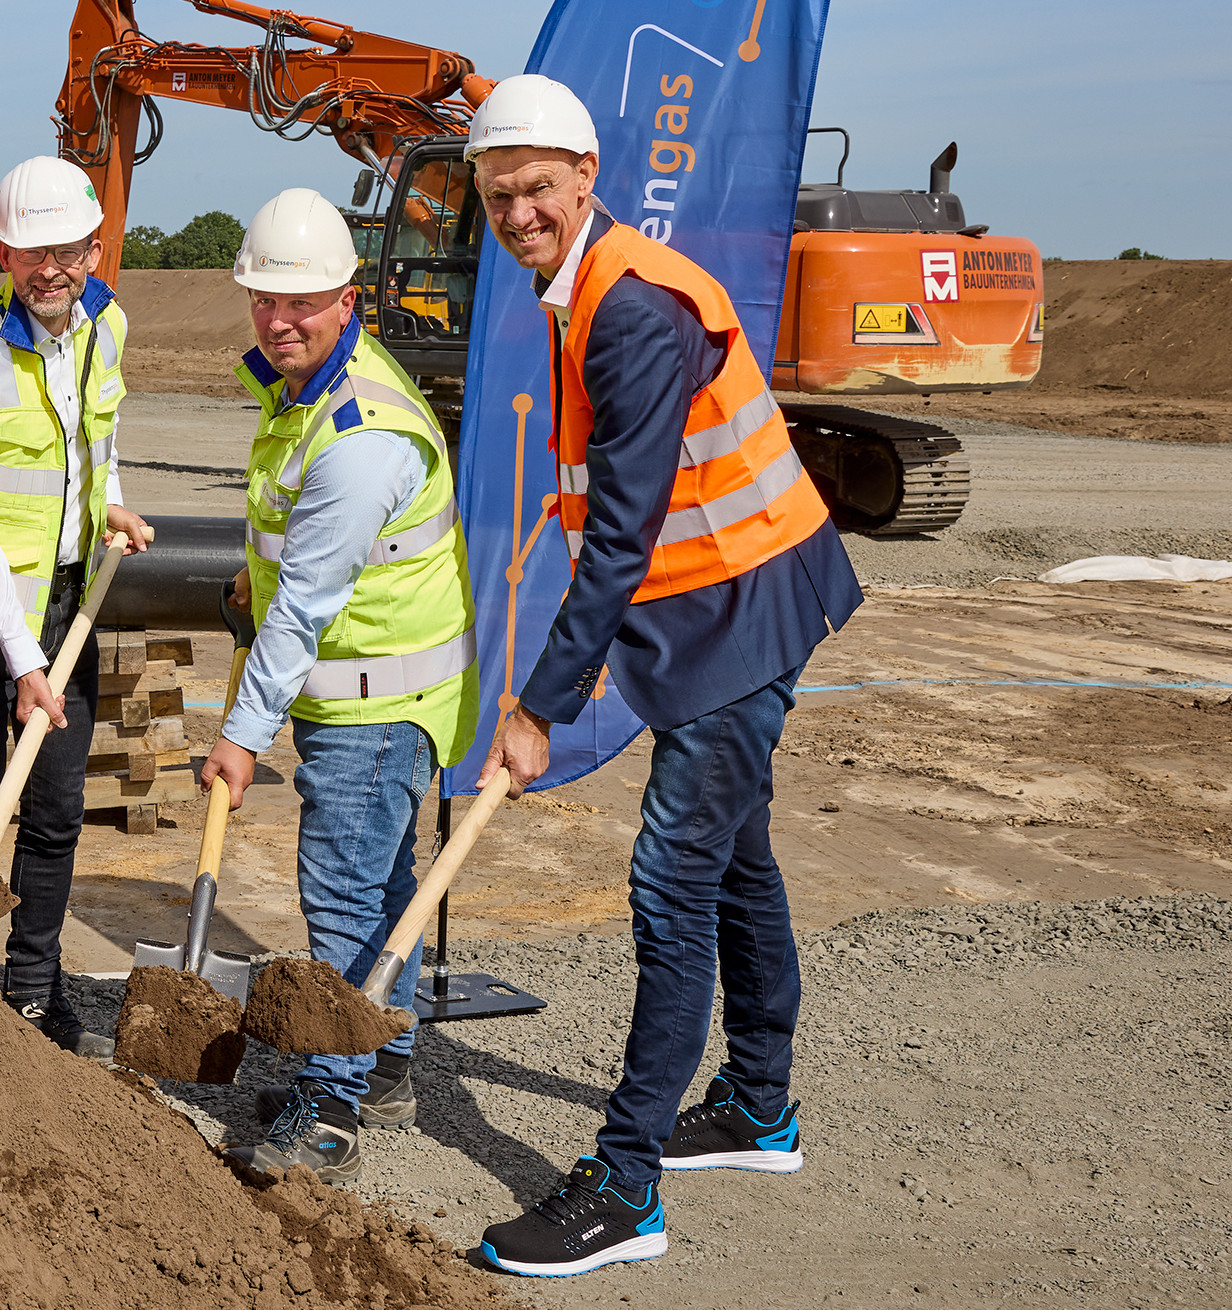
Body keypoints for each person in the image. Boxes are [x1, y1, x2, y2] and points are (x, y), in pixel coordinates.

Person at [459, 74, 863, 1279]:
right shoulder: (579, 287)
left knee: (668, 885)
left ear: (587, 177)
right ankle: (759, 1107)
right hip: (721, 606)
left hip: (741, 611)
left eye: (538, 186)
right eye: (499, 194)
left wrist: (540, 706)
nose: (520, 210)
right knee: (737, 856)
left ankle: (625, 1184)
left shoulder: (630, 310)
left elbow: (623, 536)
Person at [198, 187, 476, 1190]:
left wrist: (239, 737)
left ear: (347, 298)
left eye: (301, 303)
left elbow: (307, 605)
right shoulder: (311, 389)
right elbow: (295, 555)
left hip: (371, 698)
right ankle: (386, 1062)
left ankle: (332, 1103)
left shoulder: (361, 433)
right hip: (374, 689)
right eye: (265, 302)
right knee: (387, 887)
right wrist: (251, 574)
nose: (279, 322)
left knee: (346, 898)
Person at [0, 155, 149, 1053]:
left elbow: (98, 430)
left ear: (93, 246)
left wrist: (108, 496)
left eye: (69, 249)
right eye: (30, 251)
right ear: (2, 251)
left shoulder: (105, 324)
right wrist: (22, 661)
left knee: (52, 809)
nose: (52, 269)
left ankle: (34, 989)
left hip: (67, 608)